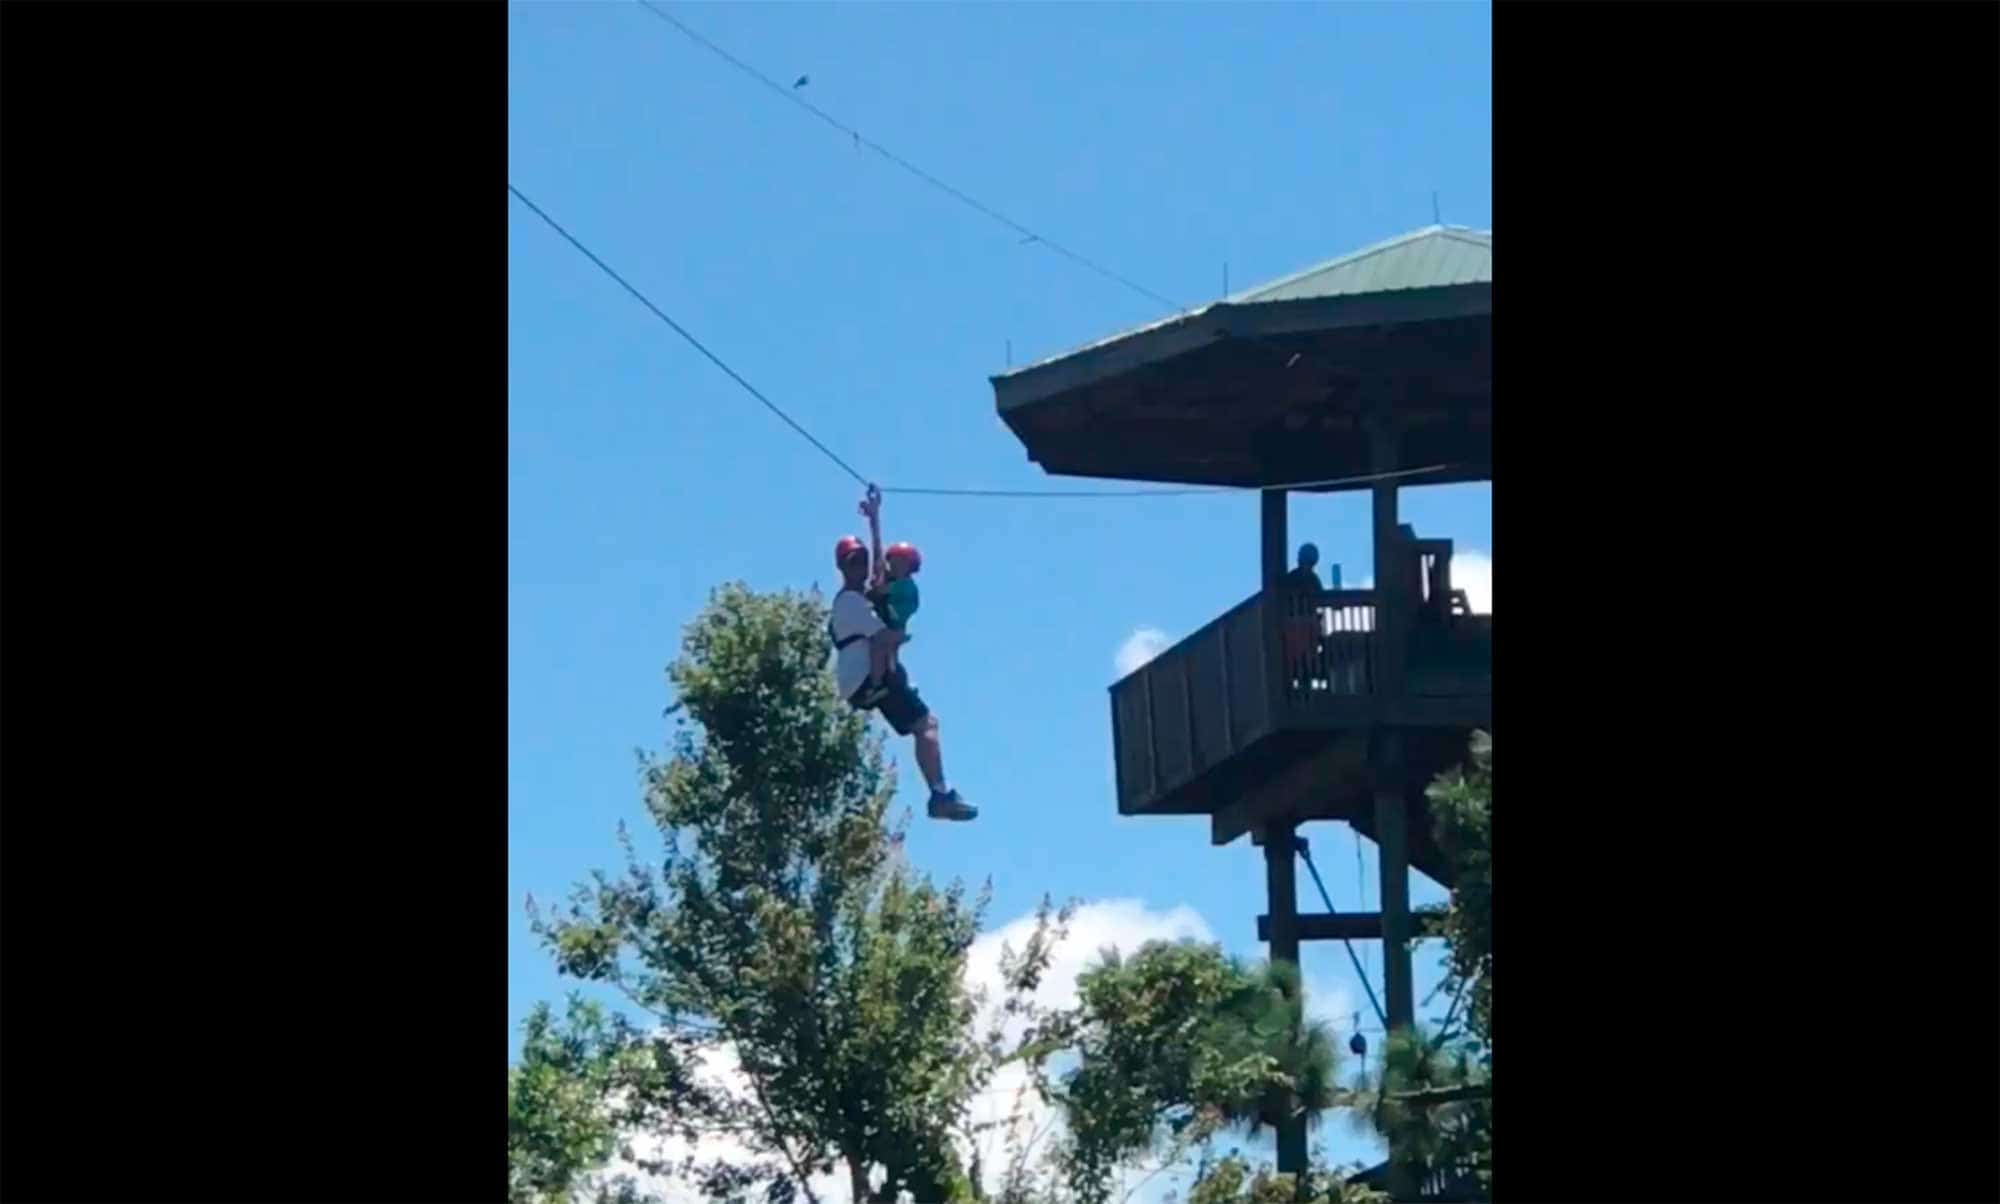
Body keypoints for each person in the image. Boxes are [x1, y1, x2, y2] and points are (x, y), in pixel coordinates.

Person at [828, 525, 976, 822]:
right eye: (852, 562)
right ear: (842, 568)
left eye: (862, 560)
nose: (859, 567)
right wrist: (899, 636)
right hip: (867, 680)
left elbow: (880, 572)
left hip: (863, 681)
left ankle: (939, 793)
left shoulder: (860, 600)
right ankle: (939, 795)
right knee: (927, 724)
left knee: (921, 722)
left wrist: (874, 517)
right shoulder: (851, 602)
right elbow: (884, 636)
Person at [856, 488, 918, 706]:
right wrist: (874, 518)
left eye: (899, 564)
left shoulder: (905, 587)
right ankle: (895, 681)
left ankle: (875, 685)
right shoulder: (894, 582)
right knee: (887, 654)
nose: (893, 567)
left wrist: (870, 592)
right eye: (893, 562)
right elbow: (878, 554)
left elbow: (878, 590)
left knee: (878, 644)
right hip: (891, 626)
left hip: (895, 629)